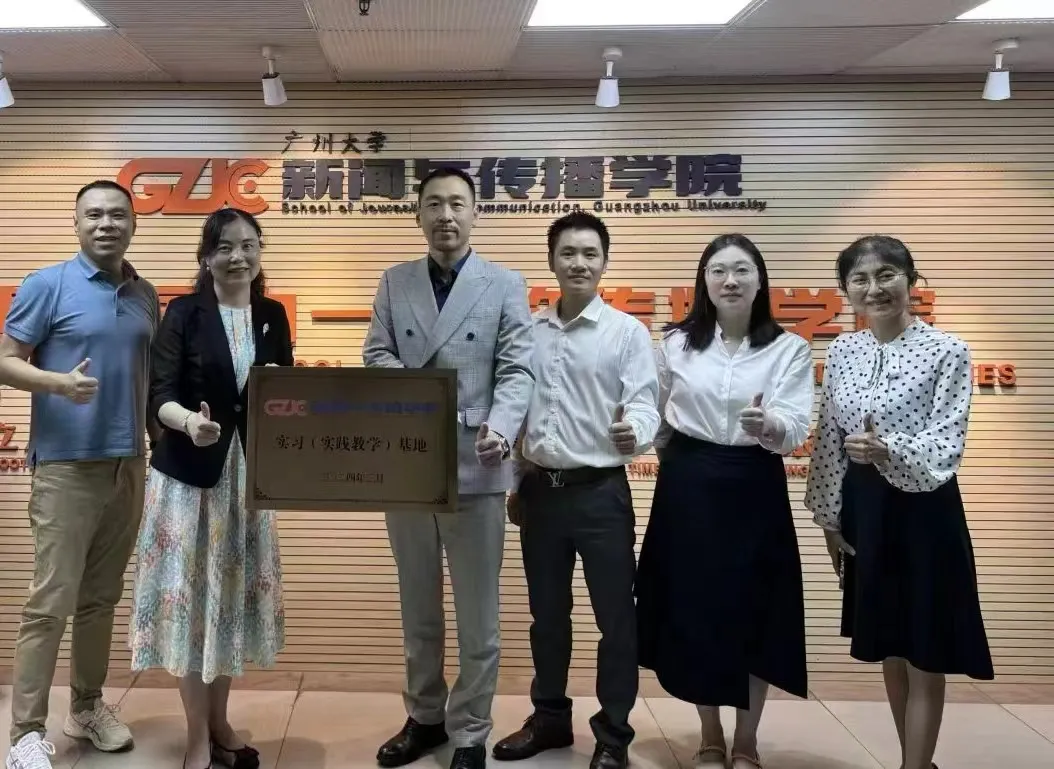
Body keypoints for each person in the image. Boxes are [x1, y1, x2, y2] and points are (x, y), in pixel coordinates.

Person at [363, 167, 534, 769]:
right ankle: (425, 718)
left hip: (477, 461)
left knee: (478, 613)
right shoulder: (395, 280)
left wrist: (503, 428)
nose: (446, 216)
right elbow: (376, 353)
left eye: (457, 204)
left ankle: (470, 732)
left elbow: (518, 368)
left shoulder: (504, 283)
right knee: (419, 607)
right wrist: (419, 399)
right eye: (434, 204)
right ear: (418, 216)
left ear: (475, 213)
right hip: (408, 464)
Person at [805, 235, 993, 769]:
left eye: (886, 274)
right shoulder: (842, 351)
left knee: (924, 645)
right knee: (888, 641)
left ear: (911, 280)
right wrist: (829, 519)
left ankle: (915, 765)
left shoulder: (948, 350)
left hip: (925, 510)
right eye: (860, 279)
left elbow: (948, 439)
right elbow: (829, 439)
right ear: (846, 290)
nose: (875, 288)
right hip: (865, 509)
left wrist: (889, 448)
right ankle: (916, 760)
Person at [635, 234, 813, 769]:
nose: (730, 281)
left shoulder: (789, 348)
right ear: (704, 282)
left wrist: (768, 425)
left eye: (741, 270)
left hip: (755, 484)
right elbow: (655, 416)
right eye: (718, 271)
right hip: (688, 488)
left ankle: (747, 740)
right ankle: (710, 734)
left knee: (756, 611)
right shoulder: (675, 344)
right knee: (696, 611)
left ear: (760, 281)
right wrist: (670, 457)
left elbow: (795, 426)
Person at [0, 181, 161, 769]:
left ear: (133, 224)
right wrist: (57, 383)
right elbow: (5, 360)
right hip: (66, 466)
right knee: (50, 601)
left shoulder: (144, 294)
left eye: (118, 214)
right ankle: (25, 732)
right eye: (93, 215)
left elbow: (146, 375)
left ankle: (87, 707)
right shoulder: (47, 284)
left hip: (129, 463)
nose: (106, 224)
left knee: (100, 598)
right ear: (76, 223)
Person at [492, 212, 659, 769]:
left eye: (590, 253)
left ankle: (613, 734)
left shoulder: (626, 333)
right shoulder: (529, 332)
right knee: (547, 616)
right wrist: (515, 484)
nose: (579, 263)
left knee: (616, 620)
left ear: (604, 262)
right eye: (568, 253)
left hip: (601, 493)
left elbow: (645, 403)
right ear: (552, 261)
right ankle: (550, 719)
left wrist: (634, 431)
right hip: (541, 492)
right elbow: (516, 411)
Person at [127, 208, 292, 769]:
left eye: (248, 245)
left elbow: (285, 393)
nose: (238, 257)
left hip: (248, 481)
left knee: (228, 605)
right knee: (195, 608)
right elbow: (160, 393)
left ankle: (221, 723)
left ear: (260, 251)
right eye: (225, 247)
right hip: (190, 483)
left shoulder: (271, 315)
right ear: (206, 256)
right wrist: (187, 423)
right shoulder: (184, 313)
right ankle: (197, 734)